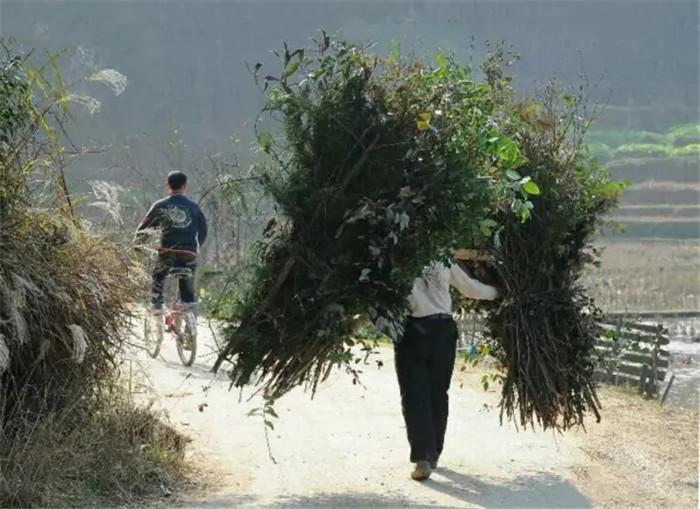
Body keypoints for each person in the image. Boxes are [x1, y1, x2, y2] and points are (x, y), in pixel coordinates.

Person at [395, 254, 499, 481]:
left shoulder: (397, 256)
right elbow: (470, 289)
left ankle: (423, 457)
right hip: (442, 330)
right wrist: (498, 291)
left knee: (414, 395)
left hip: (412, 331)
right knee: (438, 394)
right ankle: (433, 455)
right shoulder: (441, 259)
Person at [136, 171, 207, 313]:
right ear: (185, 186)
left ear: (167, 185)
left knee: (158, 275)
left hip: (167, 252)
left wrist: (139, 245)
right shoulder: (194, 207)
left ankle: (156, 304)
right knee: (187, 278)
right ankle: (187, 305)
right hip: (188, 253)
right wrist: (195, 247)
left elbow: (143, 230)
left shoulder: (160, 205)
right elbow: (203, 230)